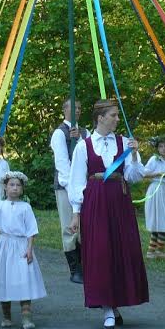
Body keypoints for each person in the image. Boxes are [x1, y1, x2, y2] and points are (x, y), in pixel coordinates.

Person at [66, 97, 147, 329]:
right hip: (95, 202)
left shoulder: (124, 142)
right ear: (100, 118)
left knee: (121, 250)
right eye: (113, 115)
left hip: (119, 201)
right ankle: (107, 309)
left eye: (117, 115)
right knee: (101, 252)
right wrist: (75, 214)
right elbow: (76, 181)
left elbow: (134, 176)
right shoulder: (84, 145)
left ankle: (116, 302)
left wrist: (133, 155)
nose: (117, 119)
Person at [0, 171, 46, 329]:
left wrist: (29, 249)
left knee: (23, 278)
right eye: (11, 185)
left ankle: (26, 317)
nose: (15, 188)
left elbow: (31, 230)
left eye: (18, 185)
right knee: (5, 278)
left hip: (21, 246)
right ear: (5, 187)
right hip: (4, 245)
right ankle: (6, 316)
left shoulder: (25, 207)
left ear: (22, 189)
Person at [50, 98, 89, 283]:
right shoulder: (59, 133)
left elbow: (89, 154)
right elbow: (62, 163)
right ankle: (75, 269)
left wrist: (80, 139)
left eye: (80, 108)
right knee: (69, 225)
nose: (77, 111)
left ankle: (85, 265)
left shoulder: (85, 132)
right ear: (64, 110)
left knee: (84, 226)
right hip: (66, 186)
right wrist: (70, 185)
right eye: (73, 108)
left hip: (83, 185)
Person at [143, 134, 165, 259]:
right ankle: (151, 250)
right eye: (161, 146)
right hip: (155, 190)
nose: (163, 149)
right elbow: (144, 173)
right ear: (157, 148)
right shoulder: (154, 159)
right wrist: (159, 173)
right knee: (157, 219)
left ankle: (160, 250)